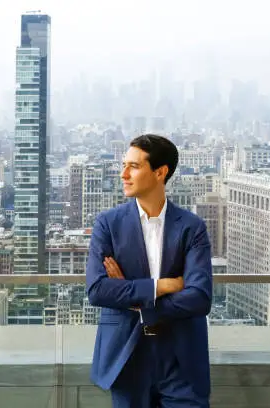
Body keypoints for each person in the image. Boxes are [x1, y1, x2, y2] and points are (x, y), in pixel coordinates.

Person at [86, 134, 213, 408]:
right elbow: (97, 290)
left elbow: (200, 298)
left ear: (160, 172)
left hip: (181, 359)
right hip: (127, 354)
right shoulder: (108, 224)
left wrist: (135, 300)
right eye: (123, 165)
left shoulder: (192, 227)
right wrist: (163, 286)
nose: (123, 174)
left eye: (133, 166)